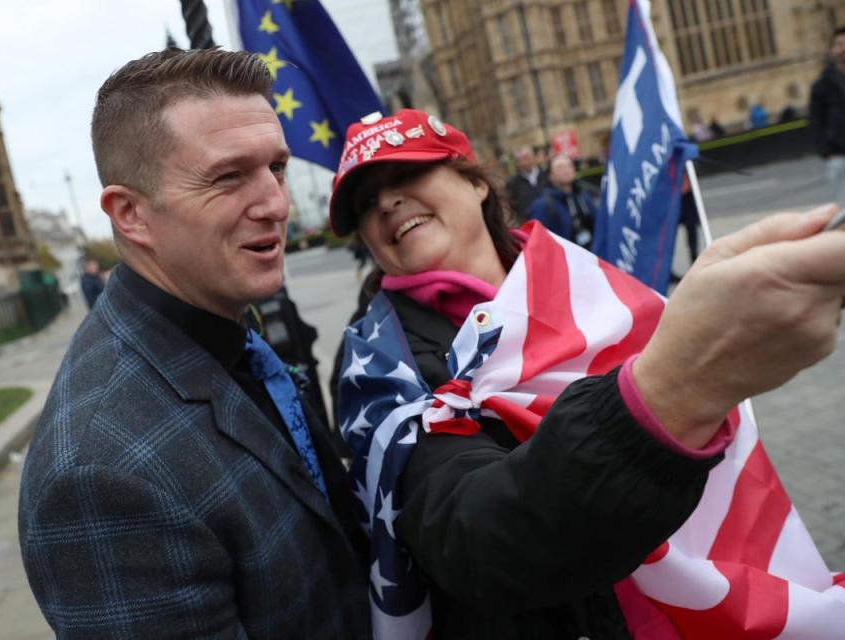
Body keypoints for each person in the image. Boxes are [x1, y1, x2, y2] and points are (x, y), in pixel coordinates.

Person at [328, 108, 845, 638]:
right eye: (365, 202)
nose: (386, 202)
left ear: (474, 181)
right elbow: (473, 539)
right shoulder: (377, 362)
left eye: (407, 174)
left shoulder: (579, 271)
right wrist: (676, 390)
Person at [18, 48, 369, 639]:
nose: (276, 204)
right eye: (228, 176)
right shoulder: (99, 476)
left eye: (276, 169)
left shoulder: (222, 327)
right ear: (130, 213)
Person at [527, 153, 597, 249]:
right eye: (560, 167)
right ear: (551, 175)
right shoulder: (542, 205)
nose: (566, 170)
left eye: (569, 166)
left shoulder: (584, 195)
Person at [809, 26, 845, 211]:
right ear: (831, 50)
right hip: (839, 155)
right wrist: (826, 152)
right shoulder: (822, 85)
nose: (843, 48)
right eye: (839, 44)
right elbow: (815, 121)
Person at [504, 145, 547, 225]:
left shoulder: (546, 175)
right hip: (531, 225)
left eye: (526, 158)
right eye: (520, 159)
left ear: (534, 157)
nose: (524, 162)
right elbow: (512, 206)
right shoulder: (512, 183)